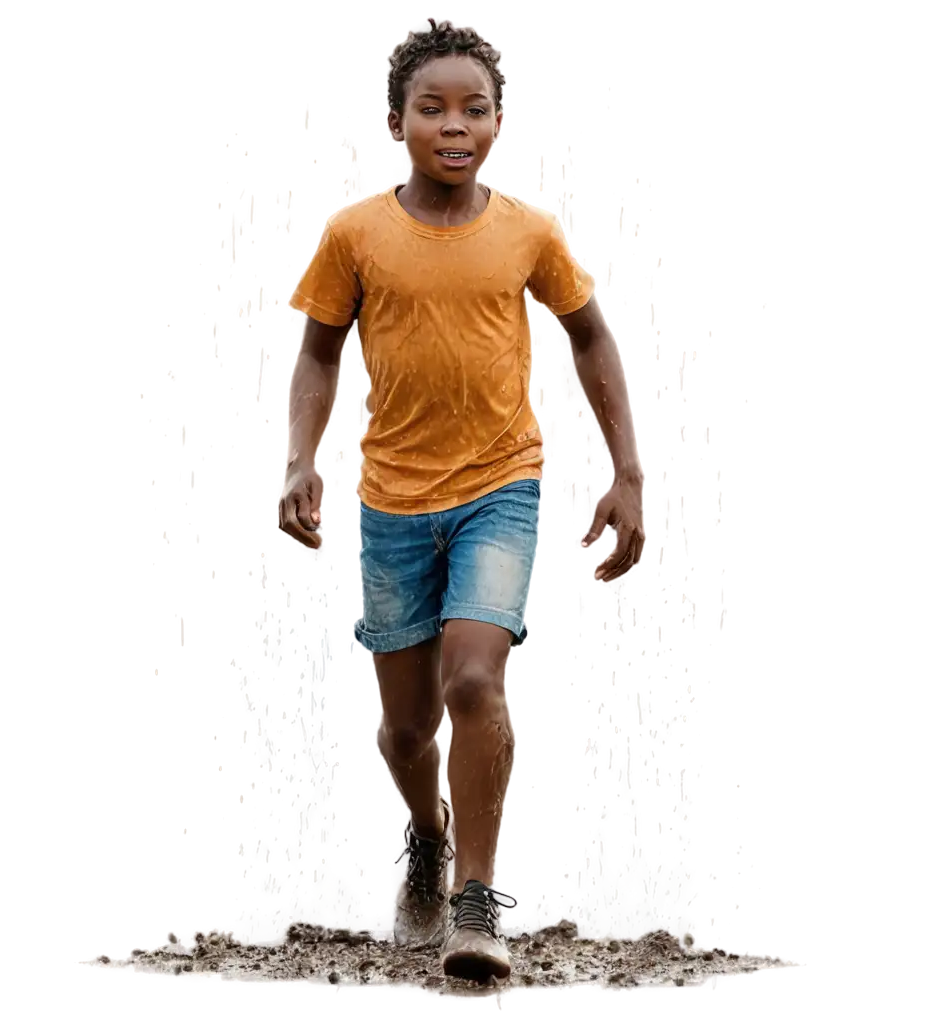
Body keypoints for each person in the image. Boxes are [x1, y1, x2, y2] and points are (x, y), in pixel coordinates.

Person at [279, 17, 645, 983]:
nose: (455, 125)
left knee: (475, 681)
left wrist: (626, 471)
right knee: (407, 730)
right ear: (394, 121)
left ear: (497, 122)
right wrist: (299, 460)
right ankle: (430, 844)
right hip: (394, 501)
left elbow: (591, 337)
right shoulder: (355, 234)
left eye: (474, 108)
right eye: (432, 108)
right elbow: (318, 353)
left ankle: (476, 904)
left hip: (500, 489)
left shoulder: (529, 233)